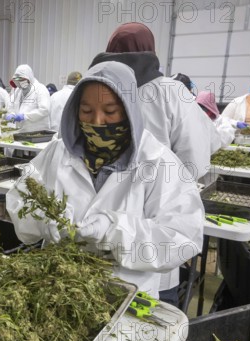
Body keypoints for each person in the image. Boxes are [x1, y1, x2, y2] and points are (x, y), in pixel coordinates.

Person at [6, 61, 204, 298]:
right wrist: (41, 220)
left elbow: (182, 237)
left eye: (110, 112)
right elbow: (19, 199)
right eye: (86, 111)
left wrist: (115, 232)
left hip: (124, 296)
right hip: (57, 286)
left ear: (130, 109)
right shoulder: (56, 153)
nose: (97, 122)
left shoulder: (158, 162)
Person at [90, 22, 216, 304]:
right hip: (154, 233)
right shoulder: (172, 92)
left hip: (92, 231)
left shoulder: (96, 90)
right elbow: (196, 161)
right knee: (147, 320)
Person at [5, 64, 51, 132]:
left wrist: (25, 116)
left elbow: (44, 110)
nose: (20, 84)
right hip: (21, 131)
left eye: (22, 80)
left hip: (38, 132)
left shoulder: (40, 89)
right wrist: (11, 114)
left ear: (29, 78)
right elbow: (11, 106)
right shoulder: (18, 90)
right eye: (17, 81)